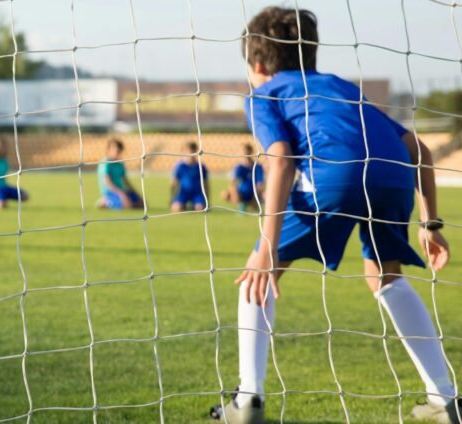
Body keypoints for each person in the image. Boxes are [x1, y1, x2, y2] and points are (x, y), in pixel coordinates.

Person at [211, 7, 458, 424]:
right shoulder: (341, 87)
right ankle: (446, 399)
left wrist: (266, 248)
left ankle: (248, 400)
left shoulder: (264, 95)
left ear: (255, 64)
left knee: (258, 271)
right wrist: (430, 224)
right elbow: (420, 150)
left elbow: (281, 157)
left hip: (334, 176)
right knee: (386, 275)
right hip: (393, 175)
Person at [96, 138, 143, 210]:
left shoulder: (120, 164)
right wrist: (121, 194)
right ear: (109, 149)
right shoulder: (106, 163)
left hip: (122, 190)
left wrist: (136, 193)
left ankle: (112, 202)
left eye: (118, 150)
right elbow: (108, 182)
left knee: (141, 204)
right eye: (115, 149)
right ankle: (105, 201)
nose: (117, 152)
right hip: (110, 191)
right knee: (127, 205)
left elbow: (126, 181)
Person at [222, 144, 265, 212]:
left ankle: (255, 205)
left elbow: (260, 184)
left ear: (251, 152)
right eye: (244, 153)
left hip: (254, 193)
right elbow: (233, 182)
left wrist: (256, 194)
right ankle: (241, 204)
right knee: (225, 194)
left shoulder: (258, 166)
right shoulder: (239, 167)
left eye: (247, 152)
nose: (246, 155)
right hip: (242, 193)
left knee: (266, 195)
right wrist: (234, 191)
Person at [171, 141, 209, 212]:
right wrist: (172, 198)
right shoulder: (180, 166)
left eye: (192, 151)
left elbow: (206, 183)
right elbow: (174, 183)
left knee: (200, 209)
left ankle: (193, 205)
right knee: (176, 208)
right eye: (188, 152)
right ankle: (184, 205)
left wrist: (207, 199)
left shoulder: (201, 167)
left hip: (197, 193)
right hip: (183, 193)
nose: (190, 154)